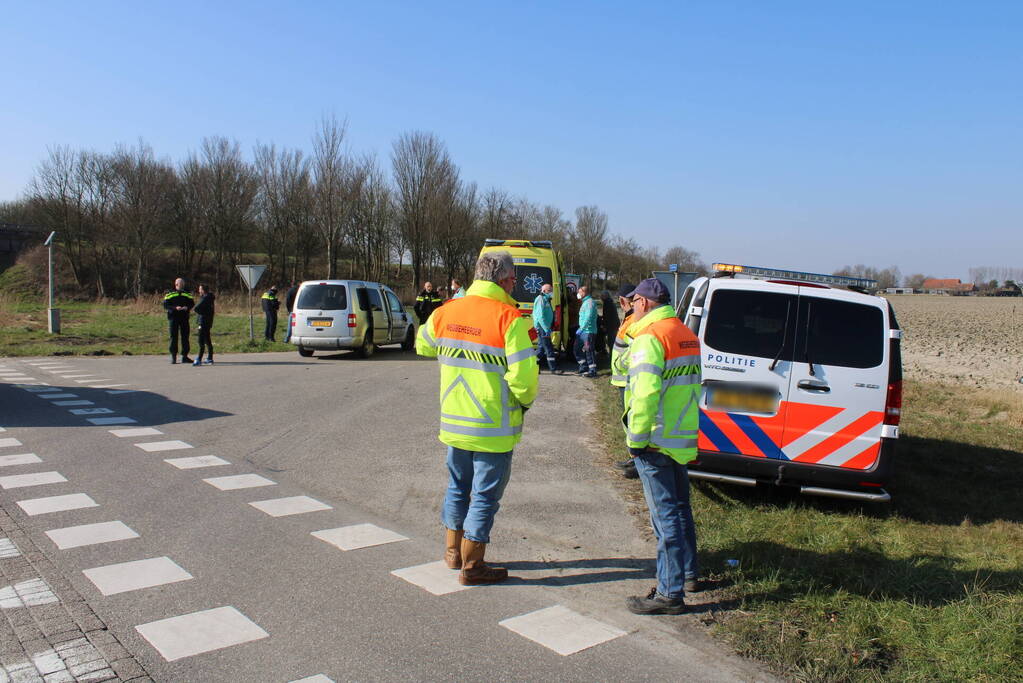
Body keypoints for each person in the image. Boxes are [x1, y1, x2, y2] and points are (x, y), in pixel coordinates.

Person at [416, 251, 538, 586]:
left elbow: (423, 345)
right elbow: (524, 378)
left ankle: (453, 553)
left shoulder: (447, 310)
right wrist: (524, 404)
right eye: (514, 279)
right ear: (504, 279)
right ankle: (473, 565)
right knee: (484, 495)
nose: (515, 285)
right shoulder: (510, 318)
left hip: (455, 422)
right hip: (493, 426)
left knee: (457, 486)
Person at [621, 278, 702, 615]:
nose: (629, 309)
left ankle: (669, 594)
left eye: (632, 303)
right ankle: (687, 574)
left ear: (642, 302)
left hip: (654, 439)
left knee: (664, 518)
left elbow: (644, 396)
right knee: (681, 510)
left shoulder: (649, 338)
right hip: (680, 437)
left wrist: (635, 442)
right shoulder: (685, 334)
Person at [610, 283, 638, 479]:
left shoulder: (634, 319)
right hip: (623, 380)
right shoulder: (629, 318)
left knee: (632, 421)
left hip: (629, 379)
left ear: (622, 301)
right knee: (628, 423)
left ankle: (637, 462)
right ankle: (633, 458)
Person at [163, 277, 194, 364]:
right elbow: (165, 305)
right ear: (176, 284)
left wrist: (187, 307)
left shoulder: (187, 293)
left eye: (183, 284)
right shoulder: (169, 293)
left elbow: (191, 303)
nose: (182, 285)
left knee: (185, 337)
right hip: (173, 318)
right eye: (180, 284)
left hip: (184, 317)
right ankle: (174, 357)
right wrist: (175, 308)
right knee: (173, 337)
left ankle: (185, 356)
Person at [532, 283, 560, 373]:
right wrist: (546, 328)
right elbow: (540, 316)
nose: (551, 292)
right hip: (543, 328)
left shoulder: (545, 299)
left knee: (541, 349)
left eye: (551, 290)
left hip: (545, 328)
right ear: (544, 291)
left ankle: (532, 365)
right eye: (549, 290)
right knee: (549, 348)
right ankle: (553, 369)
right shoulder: (541, 299)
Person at [574, 285, 598, 377]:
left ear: (584, 293)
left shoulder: (590, 302)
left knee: (589, 351)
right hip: (583, 331)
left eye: (579, 292)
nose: (578, 294)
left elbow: (588, 317)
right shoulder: (585, 302)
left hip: (588, 331)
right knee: (576, 349)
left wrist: (582, 328)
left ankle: (592, 370)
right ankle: (583, 367)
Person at [193, 284, 215, 366]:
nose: (199, 291)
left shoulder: (205, 298)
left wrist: (202, 314)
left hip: (203, 322)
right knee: (207, 340)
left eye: (200, 289)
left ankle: (199, 359)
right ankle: (210, 358)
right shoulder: (210, 298)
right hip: (208, 322)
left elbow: (196, 308)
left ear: (203, 290)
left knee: (201, 341)